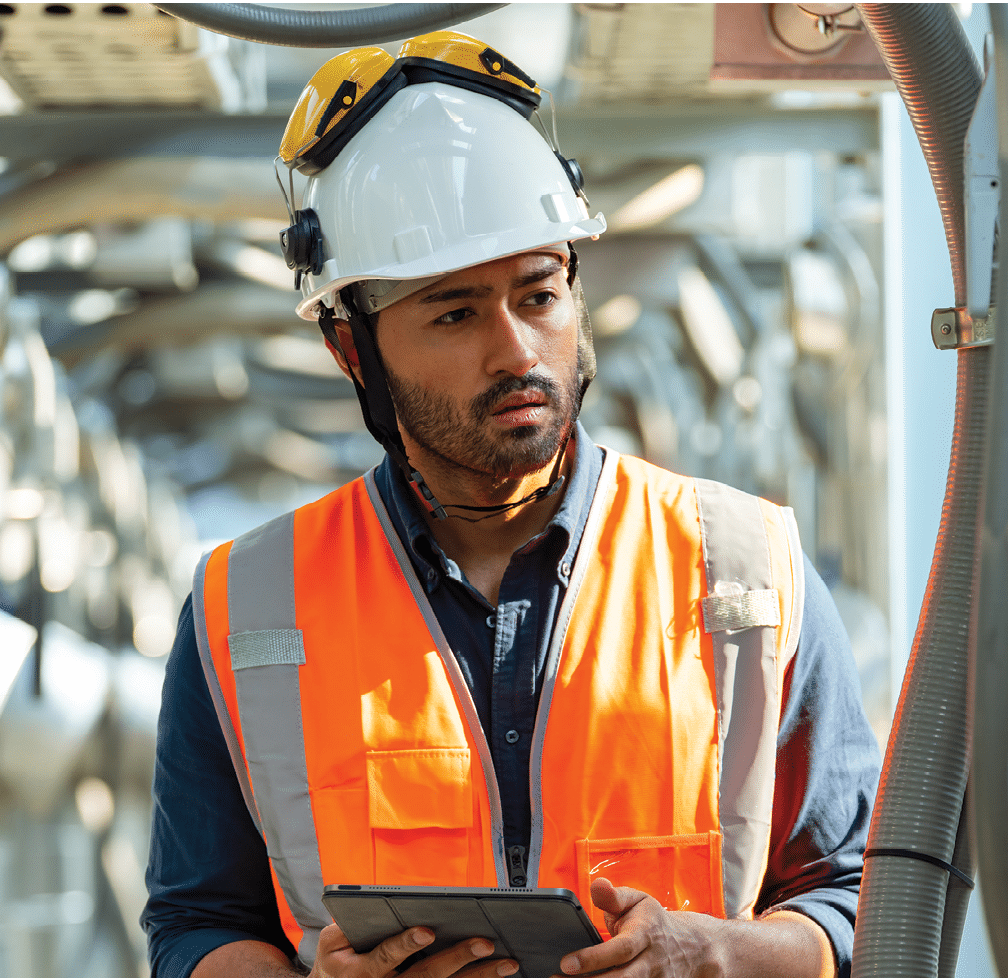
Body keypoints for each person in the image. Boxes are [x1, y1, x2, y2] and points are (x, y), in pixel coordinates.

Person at [143, 30, 880, 978]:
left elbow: (861, 900)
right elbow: (196, 926)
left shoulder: (745, 570)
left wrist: (717, 957)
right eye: (454, 312)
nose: (517, 350)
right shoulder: (244, 606)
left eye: (538, 294)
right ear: (353, 351)